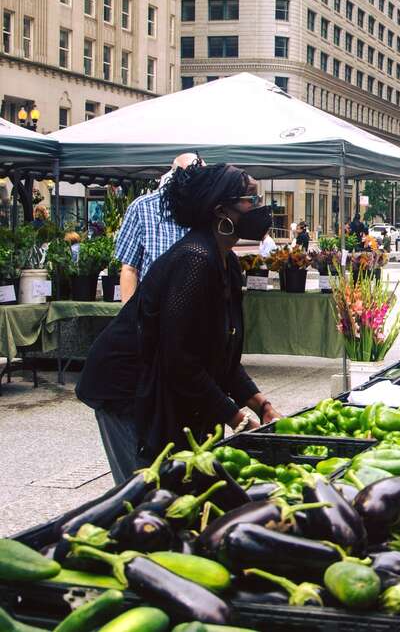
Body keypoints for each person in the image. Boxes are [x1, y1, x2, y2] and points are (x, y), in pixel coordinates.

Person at [77, 163, 283, 484]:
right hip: (127, 386)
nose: (260, 209)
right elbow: (180, 359)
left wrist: (261, 404)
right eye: (250, 200)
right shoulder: (195, 259)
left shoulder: (225, 260)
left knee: (173, 484)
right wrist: (235, 417)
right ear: (222, 211)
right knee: (146, 492)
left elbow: (219, 353)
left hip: (160, 378)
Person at [116, 153, 203, 303]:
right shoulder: (142, 208)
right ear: (175, 178)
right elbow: (129, 269)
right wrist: (129, 319)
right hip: (153, 311)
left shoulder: (206, 209)